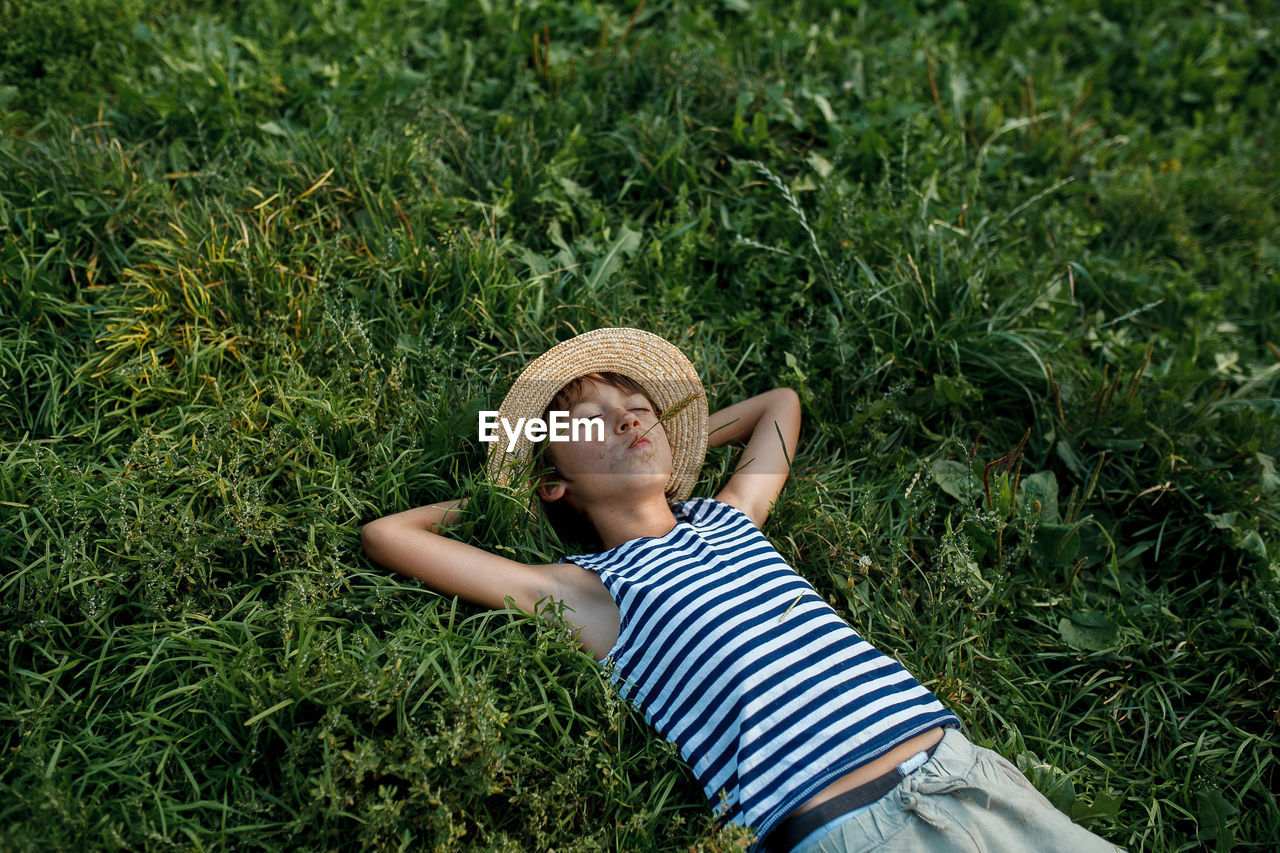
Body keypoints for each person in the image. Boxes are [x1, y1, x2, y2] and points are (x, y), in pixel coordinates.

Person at [360, 327, 1121, 852]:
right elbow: (389, 535)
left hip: (968, 772)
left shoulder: (731, 519)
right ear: (556, 482)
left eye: (637, 411)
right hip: (847, 826)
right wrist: (515, 489)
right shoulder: (587, 592)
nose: (625, 421)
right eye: (590, 420)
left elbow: (777, 404)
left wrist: (679, 434)